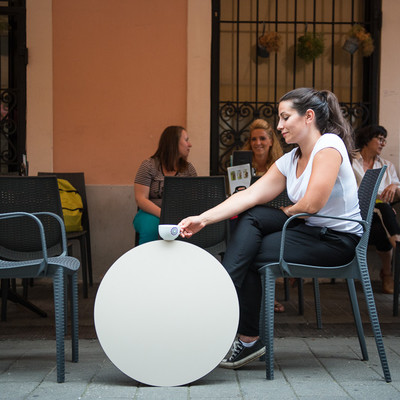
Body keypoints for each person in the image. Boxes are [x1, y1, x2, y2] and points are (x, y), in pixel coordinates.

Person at [179, 88, 362, 369]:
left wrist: (283, 213)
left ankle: (231, 316)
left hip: (336, 242)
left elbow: (313, 203)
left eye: (285, 117)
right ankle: (231, 312)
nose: (279, 126)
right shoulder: (292, 158)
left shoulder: (329, 146)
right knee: (252, 215)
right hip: (310, 232)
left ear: (308, 117)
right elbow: (249, 195)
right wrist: (203, 219)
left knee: (253, 235)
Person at [239, 118, 285, 313]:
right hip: (246, 217)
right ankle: (252, 297)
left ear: (271, 141)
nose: (257, 143)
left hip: (273, 219)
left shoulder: (281, 164)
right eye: (253, 139)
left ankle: (263, 296)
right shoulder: (241, 163)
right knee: (244, 236)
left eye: (262, 138)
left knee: (256, 243)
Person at [352, 125, 400, 294]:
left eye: (384, 140)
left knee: (381, 226)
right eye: (380, 139)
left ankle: (387, 274)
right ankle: (388, 272)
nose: (383, 143)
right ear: (367, 139)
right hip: (356, 218)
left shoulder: (387, 165)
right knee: (382, 207)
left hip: (377, 223)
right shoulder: (351, 162)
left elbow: (397, 189)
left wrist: (394, 185)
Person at [133, 125, 197, 245]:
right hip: (151, 214)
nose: (190, 144)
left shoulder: (189, 169)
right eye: (186, 140)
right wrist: (164, 215)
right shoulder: (148, 166)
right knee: (151, 227)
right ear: (174, 143)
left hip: (180, 215)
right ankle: (147, 262)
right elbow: (140, 199)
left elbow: (194, 198)